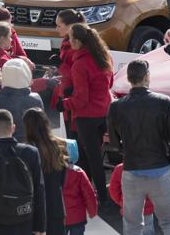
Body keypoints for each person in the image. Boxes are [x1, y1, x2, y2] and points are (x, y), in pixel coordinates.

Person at [107, 60, 170, 235]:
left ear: (129, 78)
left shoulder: (116, 106)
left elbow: (113, 142)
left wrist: (127, 151)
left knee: (133, 225)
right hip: (160, 169)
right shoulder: (163, 102)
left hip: (132, 170)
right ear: (147, 76)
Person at [56, 23, 113, 204]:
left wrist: (63, 104)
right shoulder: (104, 57)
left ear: (79, 42)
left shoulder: (80, 64)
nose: (69, 42)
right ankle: (103, 193)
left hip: (86, 117)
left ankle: (96, 197)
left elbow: (81, 100)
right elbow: (108, 85)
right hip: (104, 111)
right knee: (98, 155)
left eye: (71, 39)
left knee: (90, 157)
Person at [24, 108, 68, 235]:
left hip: (34, 210)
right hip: (56, 206)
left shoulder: (27, 151)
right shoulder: (59, 146)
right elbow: (62, 180)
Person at [0, 59, 44, 141]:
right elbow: (42, 128)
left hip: (2, 149)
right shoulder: (36, 99)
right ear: (26, 74)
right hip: (30, 147)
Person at [52, 9, 86, 139]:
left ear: (70, 26)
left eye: (59, 26)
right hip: (66, 93)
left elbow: (77, 73)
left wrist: (60, 65)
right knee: (70, 136)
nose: (56, 29)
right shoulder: (66, 42)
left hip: (74, 95)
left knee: (75, 137)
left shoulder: (77, 45)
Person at [63, 136, 97, 235]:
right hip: (78, 217)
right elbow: (89, 194)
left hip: (60, 217)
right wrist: (92, 211)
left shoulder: (53, 172)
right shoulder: (78, 172)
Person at [109, 162, 155, 235]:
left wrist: (121, 202)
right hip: (146, 210)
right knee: (148, 231)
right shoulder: (151, 167)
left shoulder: (120, 168)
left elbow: (113, 190)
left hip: (128, 210)